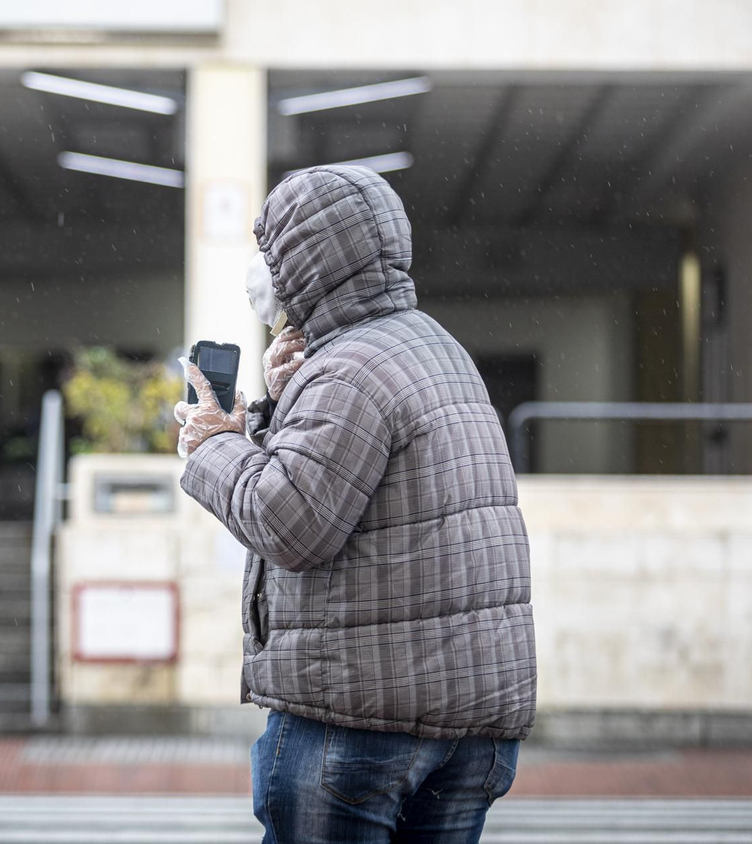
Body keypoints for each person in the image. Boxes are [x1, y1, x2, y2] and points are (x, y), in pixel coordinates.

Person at [175, 166, 535, 844]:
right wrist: (281, 404)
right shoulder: (433, 347)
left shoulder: (347, 369)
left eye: (273, 255)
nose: (263, 274)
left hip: (358, 722)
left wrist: (211, 445)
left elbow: (289, 521)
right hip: (470, 726)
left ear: (312, 263)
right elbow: (348, 483)